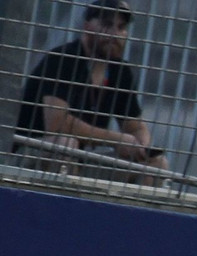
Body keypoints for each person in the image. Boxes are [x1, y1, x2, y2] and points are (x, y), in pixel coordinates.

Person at [15, 0, 169, 181]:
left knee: (156, 164)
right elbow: (57, 124)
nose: (114, 34)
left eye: (121, 27)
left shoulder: (121, 72)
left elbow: (135, 126)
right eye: (106, 25)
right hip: (31, 153)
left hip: (80, 162)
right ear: (87, 26)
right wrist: (116, 139)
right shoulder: (63, 60)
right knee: (65, 144)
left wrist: (141, 146)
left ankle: (132, 209)